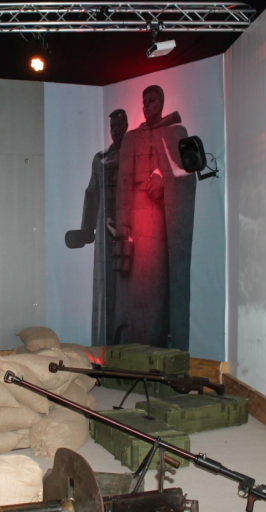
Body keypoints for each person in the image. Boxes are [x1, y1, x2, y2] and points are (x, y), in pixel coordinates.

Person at [114, 85, 196, 350]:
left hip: (159, 217)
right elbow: (123, 184)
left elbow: (186, 174)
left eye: (152, 100)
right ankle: (134, 342)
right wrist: (123, 226)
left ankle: (156, 342)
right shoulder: (131, 138)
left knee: (157, 283)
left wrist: (165, 179)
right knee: (135, 286)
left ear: (161, 103)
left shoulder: (176, 132)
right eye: (144, 101)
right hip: (135, 217)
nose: (147, 105)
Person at [65, 109, 128, 345]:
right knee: (105, 287)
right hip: (103, 232)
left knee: (128, 286)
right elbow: (92, 193)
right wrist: (86, 230)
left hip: (128, 227)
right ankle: (105, 344)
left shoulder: (132, 154)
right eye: (113, 127)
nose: (116, 130)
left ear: (127, 126)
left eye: (120, 126)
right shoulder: (100, 159)